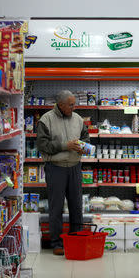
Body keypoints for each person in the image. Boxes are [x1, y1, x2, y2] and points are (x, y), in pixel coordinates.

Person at [36, 90, 90, 256]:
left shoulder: (78, 119)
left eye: (74, 104)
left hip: (74, 167)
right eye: (71, 105)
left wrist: (84, 147)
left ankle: (76, 239)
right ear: (60, 104)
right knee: (56, 207)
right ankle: (57, 244)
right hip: (55, 168)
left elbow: (86, 139)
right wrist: (65, 145)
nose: (74, 107)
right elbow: (42, 145)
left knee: (76, 206)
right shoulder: (46, 119)